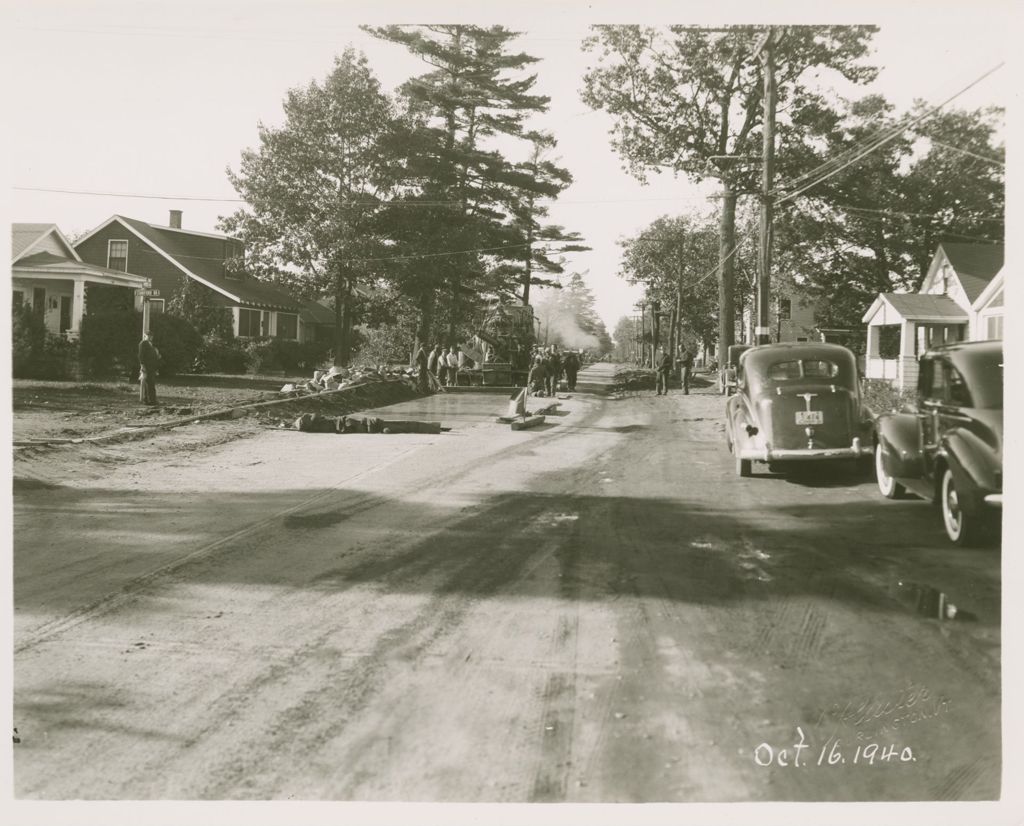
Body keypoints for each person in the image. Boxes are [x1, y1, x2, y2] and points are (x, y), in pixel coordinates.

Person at [138, 330, 161, 405]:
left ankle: (148, 399)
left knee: (150, 383)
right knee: (149, 383)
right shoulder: (143, 343)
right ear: (145, 335)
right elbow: (141, 356)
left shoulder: (150, 344)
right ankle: (151, 400)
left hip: (151, 366)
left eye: (151, 336)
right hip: (147, 366)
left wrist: (157, 355)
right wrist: (142, 366)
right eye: (148, 335)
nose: (150, 337)